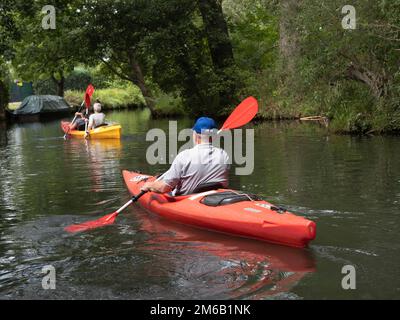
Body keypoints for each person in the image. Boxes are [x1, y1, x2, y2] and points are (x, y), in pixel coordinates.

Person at [141, 117, 230, 196]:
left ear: (195, 134)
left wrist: (149, 185)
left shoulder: (184, 156)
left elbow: (164, 188)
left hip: (186, 200)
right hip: (214, 197)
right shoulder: (224, 155)